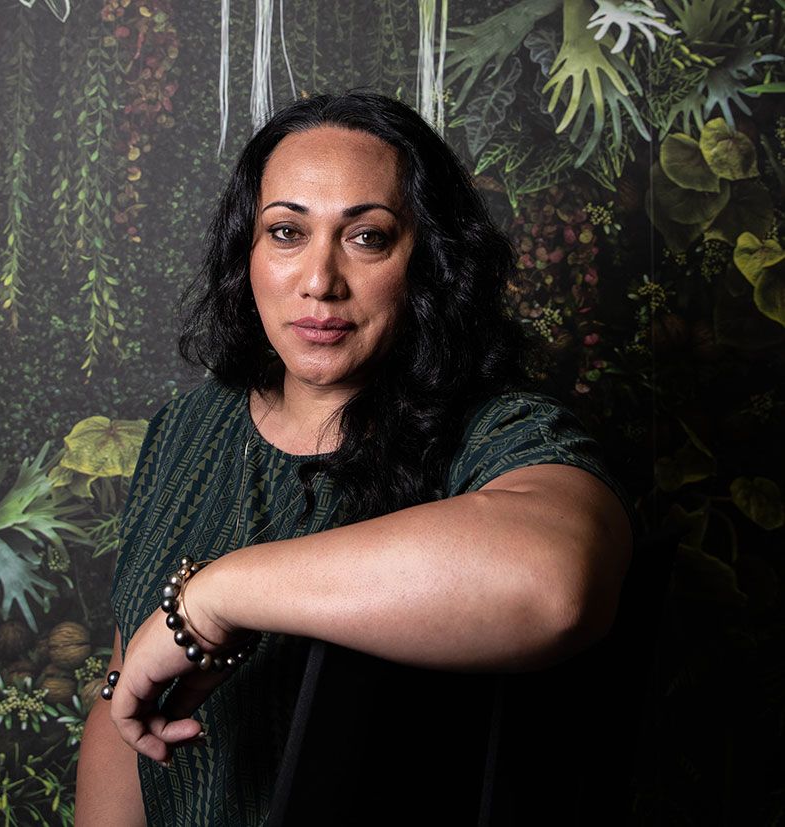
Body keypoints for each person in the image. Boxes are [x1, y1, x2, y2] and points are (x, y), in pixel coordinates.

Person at [74, 90, 635, 826]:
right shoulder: (187, 427)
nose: (319, 280)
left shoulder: (493, 431)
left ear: (428, 259)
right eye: (285, 232)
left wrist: (217, 597)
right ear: (246, 250)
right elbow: (127, 698)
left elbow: (554, 585)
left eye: (366, 237)